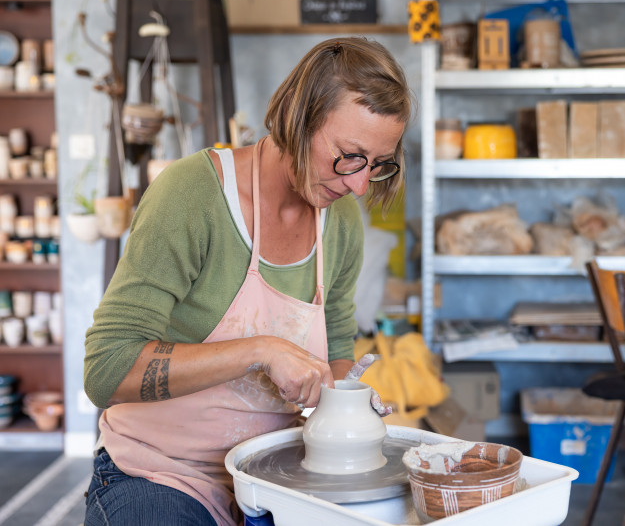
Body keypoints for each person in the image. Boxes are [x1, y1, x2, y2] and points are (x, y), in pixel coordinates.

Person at [82, 36, 414, 526]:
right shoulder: (192, 195)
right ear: (298, 119)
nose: (359, 185)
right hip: (162, 472)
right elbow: (105, 370)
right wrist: (259, 350)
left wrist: (346, 398)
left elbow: (338, 345)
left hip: (276, 477)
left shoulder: (341, 223)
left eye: (378, 164)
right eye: (348, 155)